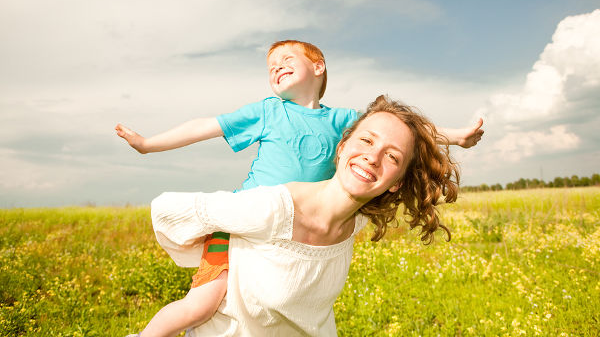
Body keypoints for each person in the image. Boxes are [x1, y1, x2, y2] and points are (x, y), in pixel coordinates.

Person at [116, 41, 483, 337]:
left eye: (286, 59)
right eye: (270, 66)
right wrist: (149, 145)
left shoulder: (342, 120)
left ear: (318, 66)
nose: (275, 67)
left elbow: (406, 132)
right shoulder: (269, 111)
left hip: (299, 231)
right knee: (201, 305)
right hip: (241, 223)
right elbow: (206, 126)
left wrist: (458, 137)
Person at [148, 95, 460, 336]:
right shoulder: (272, 207)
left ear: (397, 184)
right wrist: (222, 246)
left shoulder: (355, 222)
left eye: (392, 156)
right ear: (341, 147)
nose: (373, 156)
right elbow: (169, 210)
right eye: (366, 140)